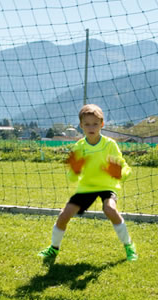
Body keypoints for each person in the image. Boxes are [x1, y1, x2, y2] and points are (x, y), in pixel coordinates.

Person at [38, 104, 137, 265]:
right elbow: (71, 177)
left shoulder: (110, 144)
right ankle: (53, 248)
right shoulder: (79, 147)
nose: (91, 127)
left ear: (102, 124)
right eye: (87, 124)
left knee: (110, 209)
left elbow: (126, 168)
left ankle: (129, 246)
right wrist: (75, 169)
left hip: (107, 186)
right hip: (86, 188)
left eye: (95, 124)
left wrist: (119, 173)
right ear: (81, 126)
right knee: (64, 215)